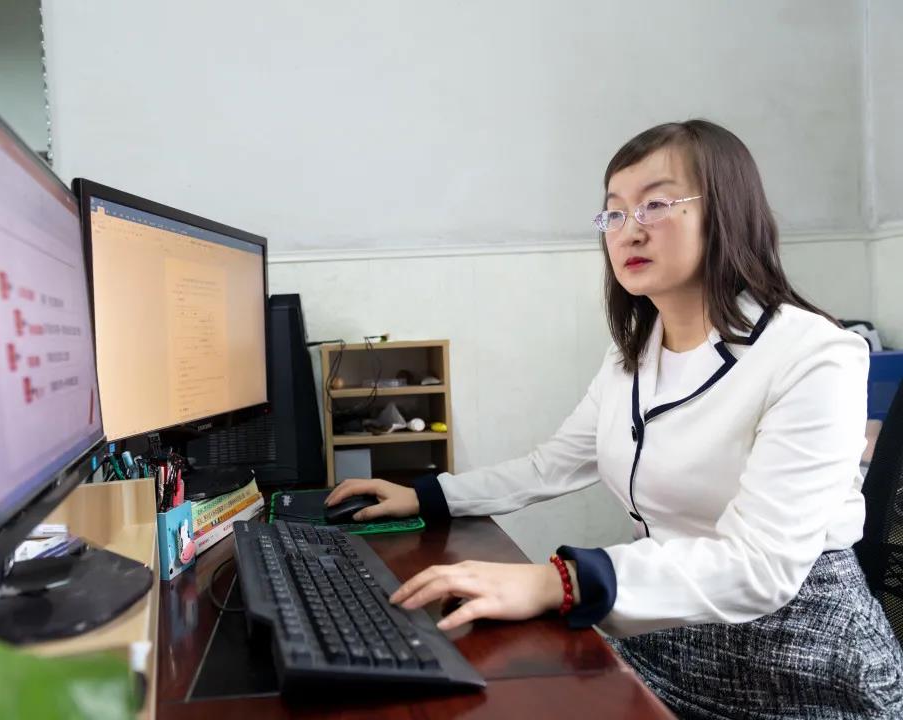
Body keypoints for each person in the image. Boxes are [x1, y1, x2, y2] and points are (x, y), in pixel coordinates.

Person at [325, 120, 903, 718]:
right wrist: (427, 496)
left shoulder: (815, 354)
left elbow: (761, 564)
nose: (630, 229)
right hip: (664, 638)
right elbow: (550, 466)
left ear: (726, 213)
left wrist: (559, 581)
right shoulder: (633, 354)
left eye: (656, 204)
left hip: (803, 663)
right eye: (615, 212)